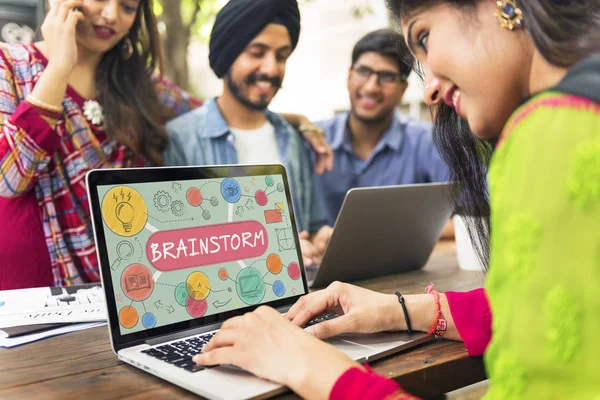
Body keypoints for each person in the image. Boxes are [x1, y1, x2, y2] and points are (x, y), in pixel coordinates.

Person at [191, 0, 600, 398]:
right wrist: (402, 310)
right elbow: (542, 312)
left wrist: (308, 364)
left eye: (424, 36)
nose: (431, 91)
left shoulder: (552, 132)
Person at [164, 0, 329, 265]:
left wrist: (323, 237)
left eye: (282, 56)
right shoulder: (180, 140)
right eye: (257, 52)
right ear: (228, 55)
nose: (271, 68)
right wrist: (277, 250)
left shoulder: (293, 137)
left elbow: (314, 222)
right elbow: (175, 248)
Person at [315, 29, 449, 225]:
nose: (371, 87)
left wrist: (399, 231)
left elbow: (474, 211)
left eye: (386, 77)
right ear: (349, 76)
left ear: (403, 89)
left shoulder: (427, 141)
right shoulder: (314, 139)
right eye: (363, 71)